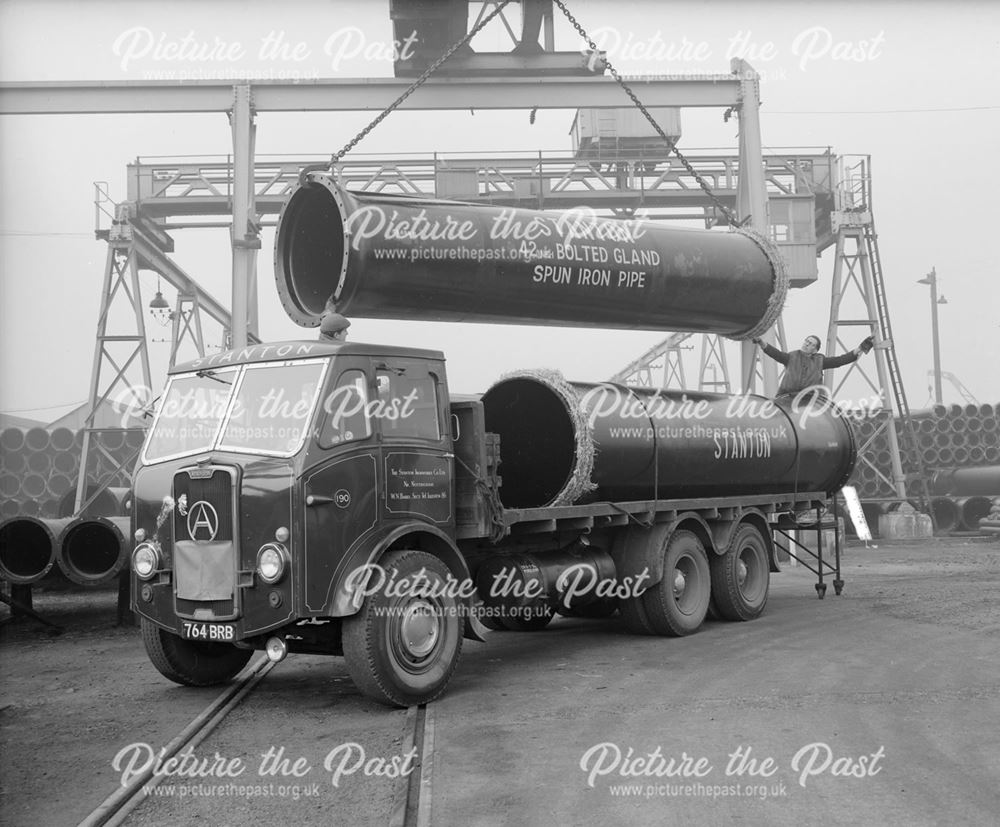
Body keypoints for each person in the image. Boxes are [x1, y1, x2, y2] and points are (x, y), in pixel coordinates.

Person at [752, 334, 875, 399]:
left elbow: (840, 360)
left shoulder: (820, 361)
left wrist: (859, 349)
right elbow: (775, 353)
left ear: (815, 350)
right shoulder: (791, 357)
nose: (806, 344)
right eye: (806, 341)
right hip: (786, 397)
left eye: (810, 344)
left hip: (810, 400)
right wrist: (761, 342)